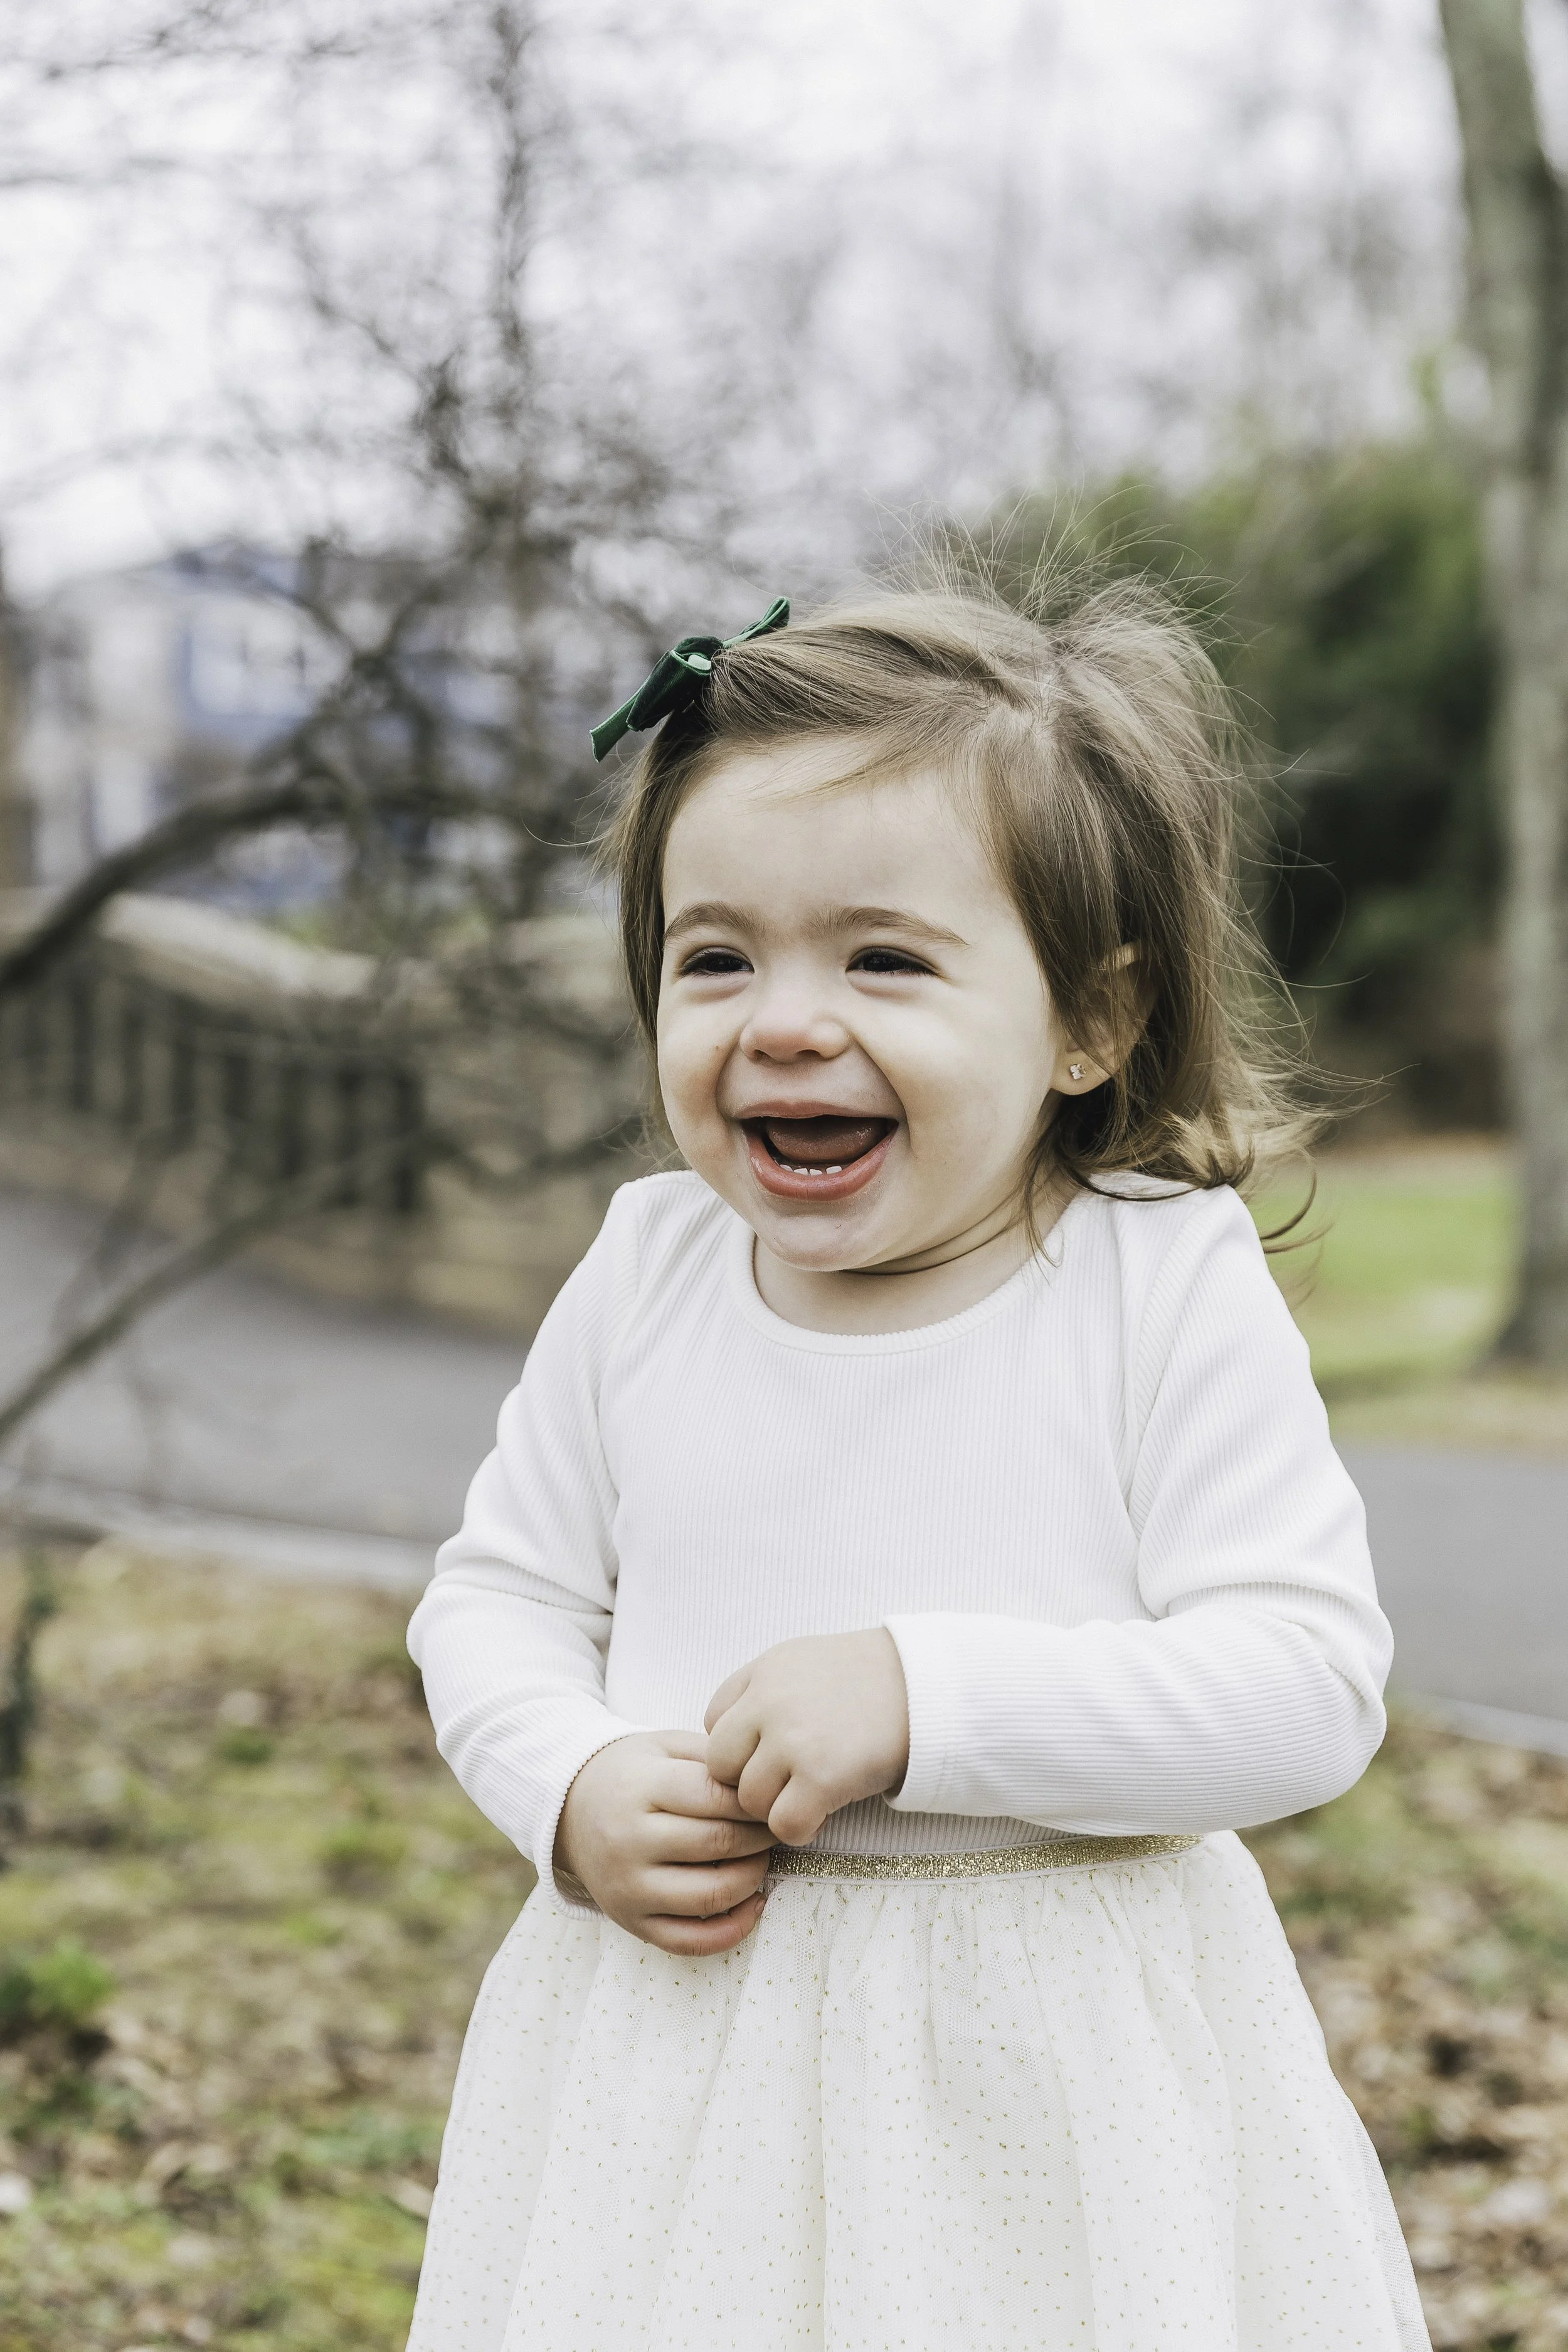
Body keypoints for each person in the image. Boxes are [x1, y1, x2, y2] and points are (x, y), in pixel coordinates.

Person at [405, 579, 1431, 2352]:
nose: (783, 1019)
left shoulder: (1149, 1284)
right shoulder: (647, 1273)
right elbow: (497, 1597)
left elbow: (1303, 1681)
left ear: (1088, 1021)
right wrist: (566, 1784)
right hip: (679, 2065)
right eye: (715, 956)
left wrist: (924, 1694)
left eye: (882, 956)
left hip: (1056, 2076)